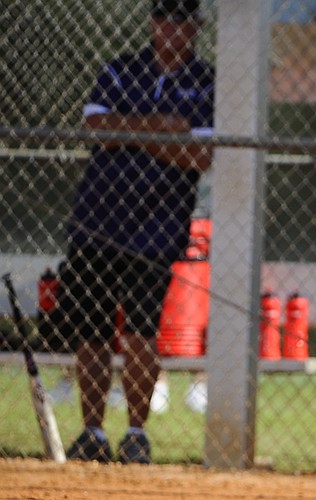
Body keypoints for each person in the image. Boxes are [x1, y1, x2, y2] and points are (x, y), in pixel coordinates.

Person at [60, 0, 214, 463]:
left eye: (182, 20)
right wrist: (164, 131)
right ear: (153, 23)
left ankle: (135, 435)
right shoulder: (122, 69)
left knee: (143, 330)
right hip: (99, 220)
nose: (173, 28)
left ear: (196, 27)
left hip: (158, 225)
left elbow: (200, 157)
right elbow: (95, 128)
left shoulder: (205, 80)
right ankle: (92, 433)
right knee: (92, 329)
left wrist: (129, 129)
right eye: (165, 18)